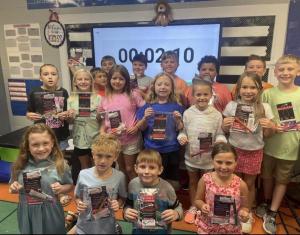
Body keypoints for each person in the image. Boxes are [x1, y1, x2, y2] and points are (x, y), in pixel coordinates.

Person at [222, 72, 275, 233]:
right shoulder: (232, 105)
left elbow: (267, 136)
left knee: (249, 184)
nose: (248, 91)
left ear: (260, 89)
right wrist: (225, 124)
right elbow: (224, 131)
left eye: (253, 87)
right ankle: (230, 211)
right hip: (234, 150)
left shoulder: (264, 107)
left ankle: (246, 213)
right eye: (244, 87)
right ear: (238, 89)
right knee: (232, 183)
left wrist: (270, 127)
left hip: (254, 151)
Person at [257, 54, 300, 234]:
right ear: (274, 72)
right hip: (268, 144)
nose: (285, 72)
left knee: (282, 179)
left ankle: (273, 212)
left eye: (290, 69)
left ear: (298, 71)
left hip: (290, 145)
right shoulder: (267, 93)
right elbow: (261, 117)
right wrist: (270, 125)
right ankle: (266, 201)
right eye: (281, 69)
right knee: (266, 175)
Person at [177, 79, 227, 224]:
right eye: (198, 94)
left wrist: (220, 140)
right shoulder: (187, 113)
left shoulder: (217, 115)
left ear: (211, 95)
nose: (202, 97)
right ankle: (193, 206)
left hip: (208, 159)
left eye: (205, 94)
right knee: (193, 182)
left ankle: (204, 208)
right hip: (191, 157)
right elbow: (182, 132)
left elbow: (220, 134)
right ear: (193, 95)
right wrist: (182, 137)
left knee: (206, 184)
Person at [9, 123, 73, 234]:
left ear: (52, 143)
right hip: (27, 212)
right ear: (27, 146)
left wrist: (61, 189)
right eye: (35, 144)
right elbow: (12, 187)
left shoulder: (61, 165)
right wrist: (13, 188)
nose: (41, 148)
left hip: (51, 212)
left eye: (45, 143)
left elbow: (69, 185)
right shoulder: (19, 166)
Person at [136, 72, 184, 190]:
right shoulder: (147, 107)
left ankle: (170, 203)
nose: (163, 87)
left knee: (172, 182)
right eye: (159, 84)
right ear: (154, 87)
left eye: (167, 85)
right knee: (152, 180)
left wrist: (178, 120)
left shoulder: (177, 107)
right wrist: (145, 118)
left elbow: (180, 128)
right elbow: (140, 128)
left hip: (171, 149)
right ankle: (152, 204)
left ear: (172, 88)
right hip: (152, 151)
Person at [98, 65, 145, 182]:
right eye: (114, 78)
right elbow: (103, 119)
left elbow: (145, 112)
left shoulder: (133, 95)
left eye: (121, 79)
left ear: (126, 80)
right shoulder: (105, 98)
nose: (117, 81)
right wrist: (102, 131)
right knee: (120, 169)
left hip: (131, 138)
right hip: (114, 140)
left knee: (130, 168)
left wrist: (137, 127)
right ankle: (123, 194)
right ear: (109, 79)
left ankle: (135, 194)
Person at [73, 133, 127, 234]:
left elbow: (123, 198)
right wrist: (79, 203)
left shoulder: (119, 176)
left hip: (107, 227)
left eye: (108, 156)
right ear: (93, 155)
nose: (103, 161)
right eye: (99, 155)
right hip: (84, 226)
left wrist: (118, 204)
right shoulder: (83, 174)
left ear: (115, 157)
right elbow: (76, 197)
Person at [194, 142, 250, 234]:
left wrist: (244, 213)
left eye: (229, 163)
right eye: (219, 162)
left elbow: (245, 207)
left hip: (231, 229)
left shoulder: (241, 185)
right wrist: (202, 206)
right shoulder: (205, 180)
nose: (223, 167)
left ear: (236, 163)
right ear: (212, 161)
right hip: (208, 227)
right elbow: (197, 200)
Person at [123, 149, 183, 234]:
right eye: (142, 167)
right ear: (136, 168)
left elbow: (178, 207)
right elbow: (128, 204)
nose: (146, 171)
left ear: (160, 170)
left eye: (152, 167)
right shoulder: (133, 184)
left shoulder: (167, 188)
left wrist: (176, 214)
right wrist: (126, 212)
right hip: (138, 231)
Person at [67, 68, 101, 183]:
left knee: (97, 166)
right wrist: (70, 116)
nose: (83, 81)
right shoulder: (71, 99)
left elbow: (101, 120)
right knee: (84, 167)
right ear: (75, 82)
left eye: (86, 79)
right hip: (80, 137)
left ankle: (97, 189)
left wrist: (100, 114)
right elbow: (70, 122)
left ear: (91, 82)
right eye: (80, 79)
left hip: (95, 136)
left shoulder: (98, 98)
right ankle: (86, 189)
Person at [26, 64, 70, 150]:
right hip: (42, 135)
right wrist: (29, 115)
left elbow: (67, 112)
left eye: (53, 74)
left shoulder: (63, 92)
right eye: (46, 74)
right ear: (40, 77)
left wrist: (67, 114)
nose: (50, 77)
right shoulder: (34, 92)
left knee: (60, 160)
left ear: (58, 77)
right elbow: (29, 111)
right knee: (44, 159)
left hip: (60, 134)